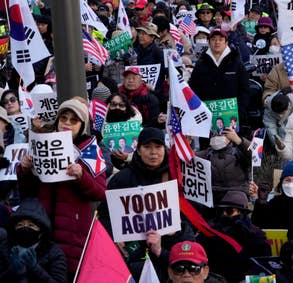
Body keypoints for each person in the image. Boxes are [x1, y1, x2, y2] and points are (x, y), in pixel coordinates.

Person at [17, 98, 107, 278]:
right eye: (63, 118)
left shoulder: (90, 151)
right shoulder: (42, 143)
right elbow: (26, 191)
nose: (67, 123)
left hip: (73, 231)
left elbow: (100, 192)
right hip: (42, 228)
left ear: (82, 126)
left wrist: (81, 176)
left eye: (74, 120)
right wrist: (25, 169)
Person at [98, 127, 195, 281]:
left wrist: (174, 232)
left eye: (158, 147)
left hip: (166, 255)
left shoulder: (176, 178)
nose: (153, 152)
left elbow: (189, 217)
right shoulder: (121, 180)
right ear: (138, 150)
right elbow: (104, 215)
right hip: (133, 257)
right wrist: (114, 237)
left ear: (165, 148)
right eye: (147, 147)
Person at [189, 28, 250, 142]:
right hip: (207, 119)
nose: (217, 42)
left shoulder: (236, 62)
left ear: (226, 42)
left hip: (232, 117)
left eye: (220, 39)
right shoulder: (201, 63)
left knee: (232, 151)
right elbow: (193, 89)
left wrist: (240, 111)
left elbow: (245, 89)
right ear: (209, 42)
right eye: (214, 39)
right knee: (208, 151)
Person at [198, 191, 270, 283]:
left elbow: (263, 266)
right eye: (221, 211)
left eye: (229, 211)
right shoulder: (209, 233)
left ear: (241, 212)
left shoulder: (256, 236)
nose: (224, 214)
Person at [0, 198, 67, 282]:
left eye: (31, 225)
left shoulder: (54, 252)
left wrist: (35, 268)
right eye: (20, 225)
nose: (25, 228)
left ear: (41, 231)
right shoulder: (5, 247)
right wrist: (12, 271)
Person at [197, 124, 251, 205]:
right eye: (214, 135)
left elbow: (254, 155)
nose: (216, 137)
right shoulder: (206, 154)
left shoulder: (238, 152)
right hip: (213, 196)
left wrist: (239, 141)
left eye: (221, 134)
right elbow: (187, 157)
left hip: (236, 194)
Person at [251, 160, 293, 229]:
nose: (291, 184)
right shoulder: (275, 203)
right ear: (281, 183)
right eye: (287, 180)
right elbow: (258, 225)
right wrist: (261, 203)